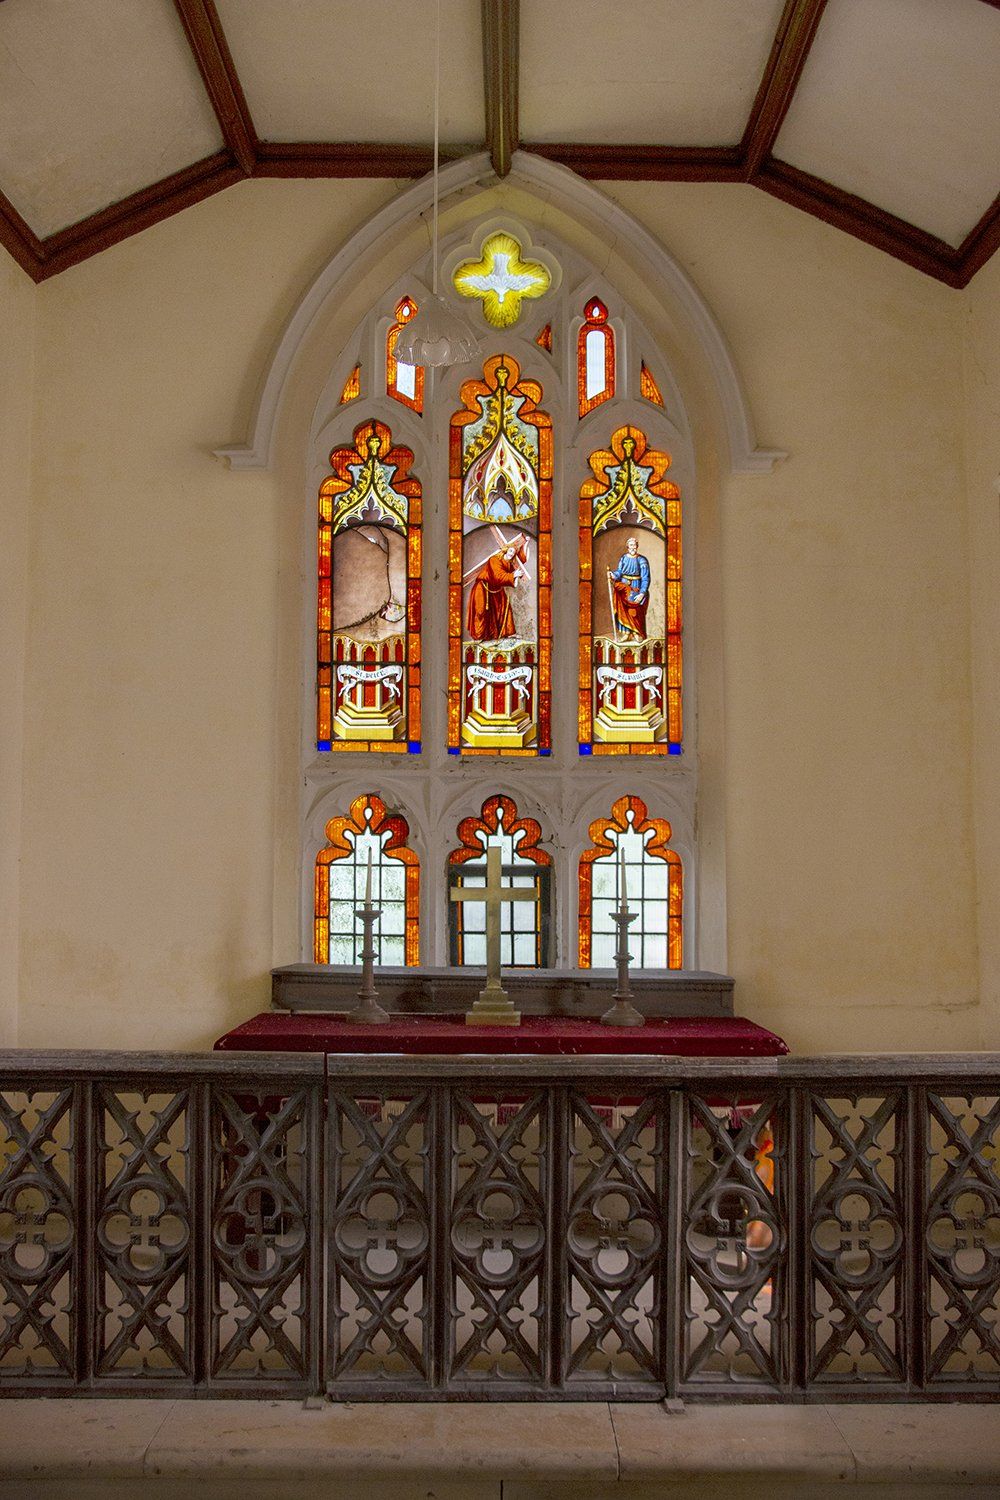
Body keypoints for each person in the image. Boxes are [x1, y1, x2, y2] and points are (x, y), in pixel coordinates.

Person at [466, 534, 528, 641]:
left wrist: (525, 544)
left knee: (505, 607)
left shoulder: (508, 564)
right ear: (505, 550)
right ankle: (479, 636)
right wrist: (513, 575)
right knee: (481, 611)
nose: (511, 554)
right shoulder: (494, 560)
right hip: (483, 586)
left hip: (496, 588)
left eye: (513, 553)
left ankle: (508, 633)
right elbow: (497, 576)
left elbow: (521, 560)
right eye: (510, 551)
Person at [608, 535, 650, 640]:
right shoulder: (624, 558)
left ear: (637, 546)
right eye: (631, 545)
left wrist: (642, 593)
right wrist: (613, 575)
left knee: (634, 611)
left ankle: (637, 633)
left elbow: (646, 578)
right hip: (624, 587)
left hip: (636, 587)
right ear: (627, 547)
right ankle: (626, 633)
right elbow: (620, 572)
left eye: (635, 545)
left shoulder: (642, 560)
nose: (633, 547)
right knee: (623, 610)